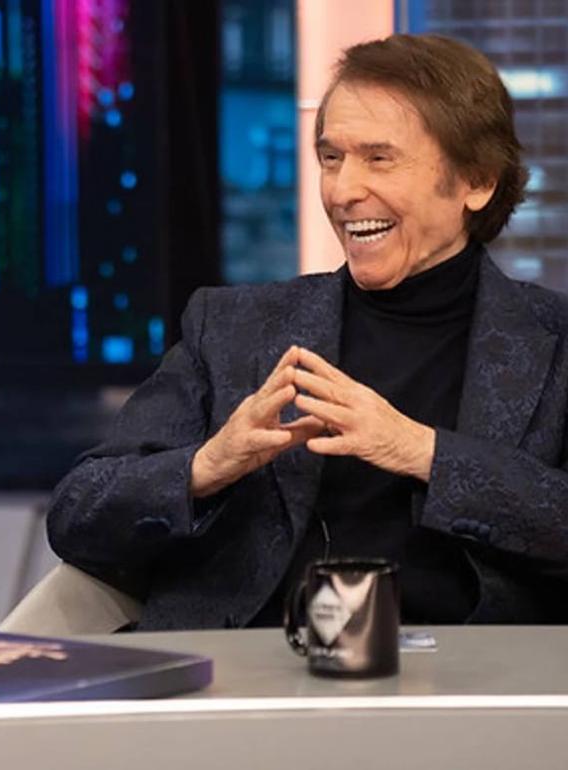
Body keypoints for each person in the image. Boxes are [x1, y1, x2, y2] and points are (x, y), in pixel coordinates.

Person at [48, 34, 568, 630]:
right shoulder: (233, 327)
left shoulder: (553, 343)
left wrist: (421, 451)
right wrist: (207, 465)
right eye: (331, 158)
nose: (342, 191)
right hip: (247, 664)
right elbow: (78, 512)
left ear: (477, 181)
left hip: (472, 672)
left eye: (379, 158)